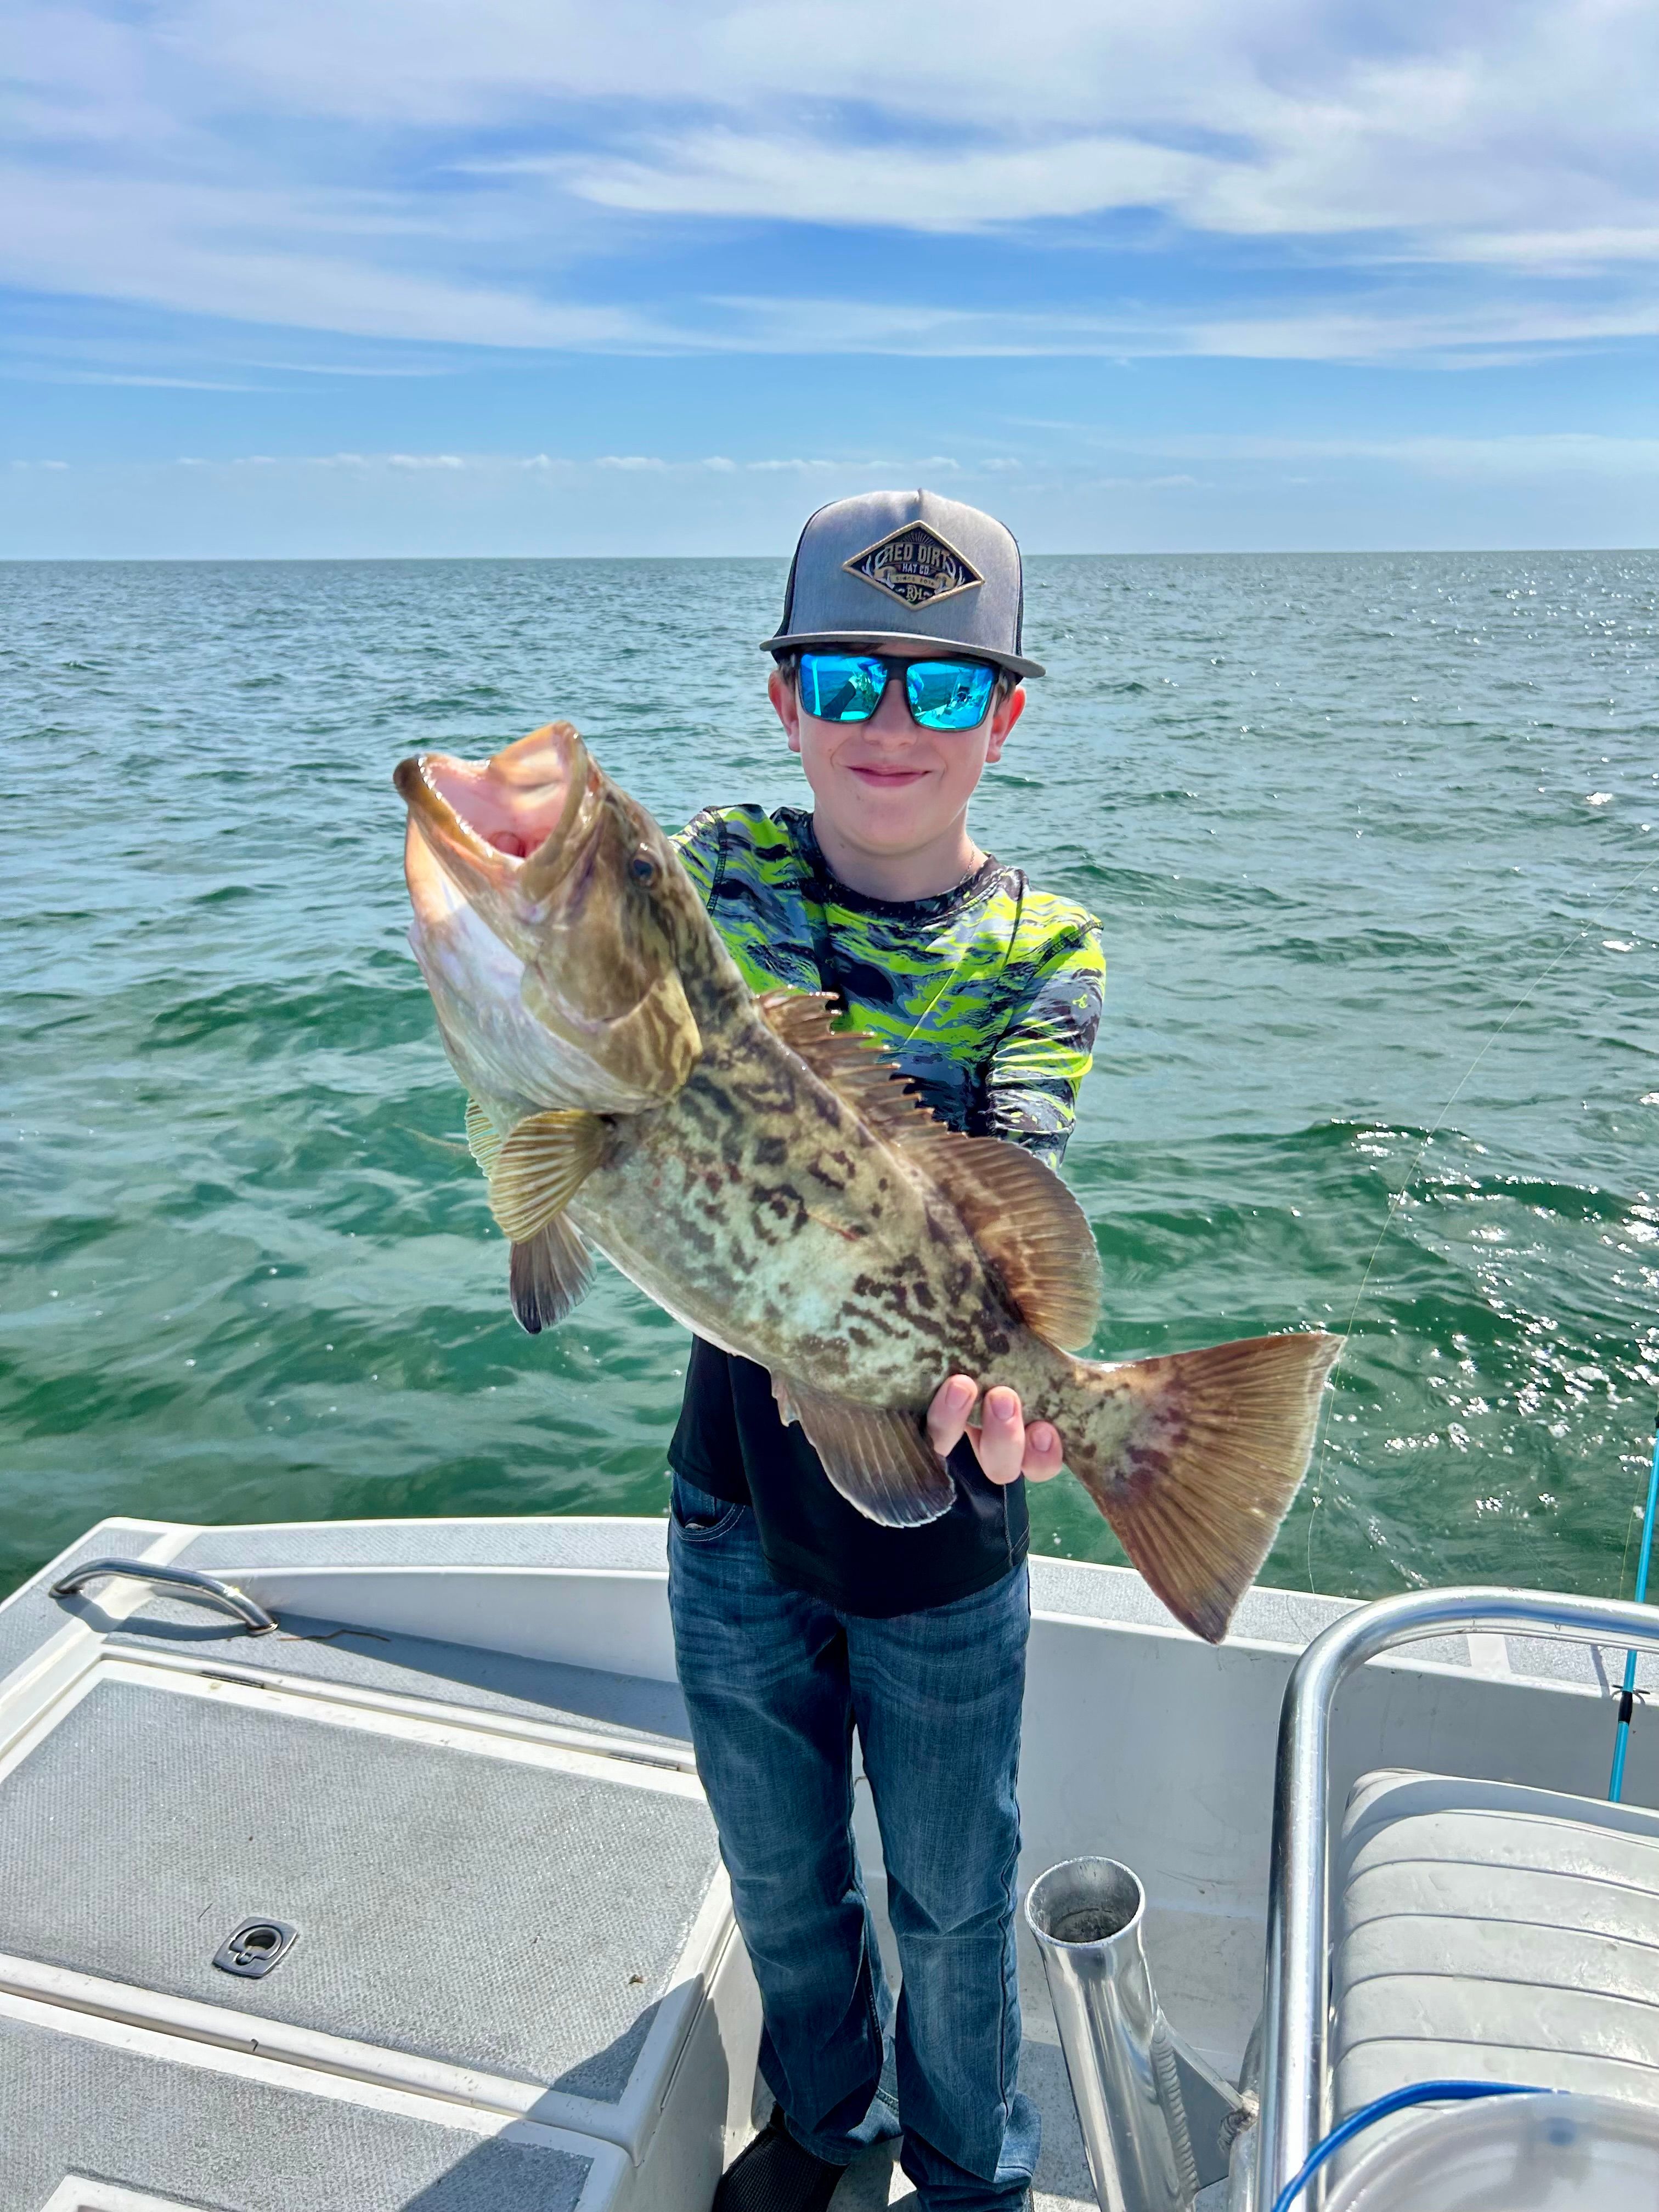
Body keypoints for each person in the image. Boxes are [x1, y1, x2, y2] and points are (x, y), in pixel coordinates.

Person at [666, 489, 1105, 2212]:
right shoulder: (724, 870)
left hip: (945, 1520)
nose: (893, 724)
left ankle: (972, 2169)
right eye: (849, 680)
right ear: (786, 700)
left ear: (1008, 713)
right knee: (779, 1877)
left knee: (951, 1898)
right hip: (730, 1497)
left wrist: (1025, 1392)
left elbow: (1012, 1184)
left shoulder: (1044, 948)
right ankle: (821, 2117)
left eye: (946, 685)